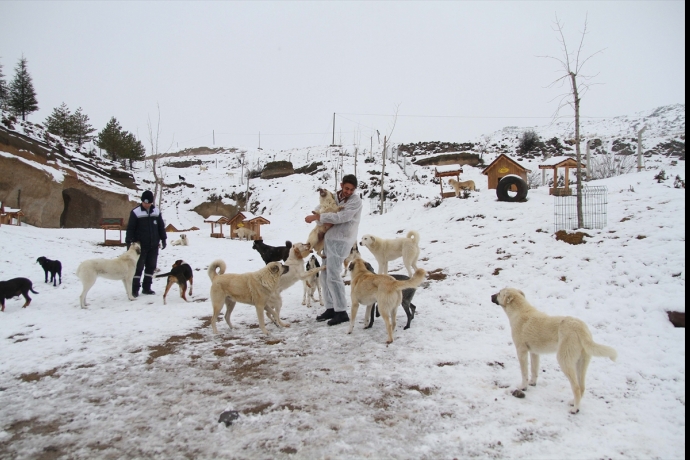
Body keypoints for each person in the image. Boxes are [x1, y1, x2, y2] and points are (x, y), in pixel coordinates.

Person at [305, 174, 362, 326]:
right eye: (346, 188)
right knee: (324, 274)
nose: (348, 192)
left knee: (333, 274)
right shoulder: (334, 196)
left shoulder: (355, 201)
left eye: (351, 189)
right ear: (342, 185)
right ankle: (331, 307)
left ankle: (341, 311)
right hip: (327, 240)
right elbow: (322, 207)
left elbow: (342, 216)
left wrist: (319, 217)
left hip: (341, 240)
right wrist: (317, 215)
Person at [125, 190, 167, 297]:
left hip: (154, 245)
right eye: (145, 202)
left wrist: (163, 239)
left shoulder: (156, 212)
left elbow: (161, 227)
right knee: (138, 267)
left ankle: (147, 288)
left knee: (151, 267)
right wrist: (128, 241)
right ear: (142, 201)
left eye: (148, 203)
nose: (146, 205)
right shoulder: (136, 212)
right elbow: (130, 228)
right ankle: (134, 289)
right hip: (140, 246)